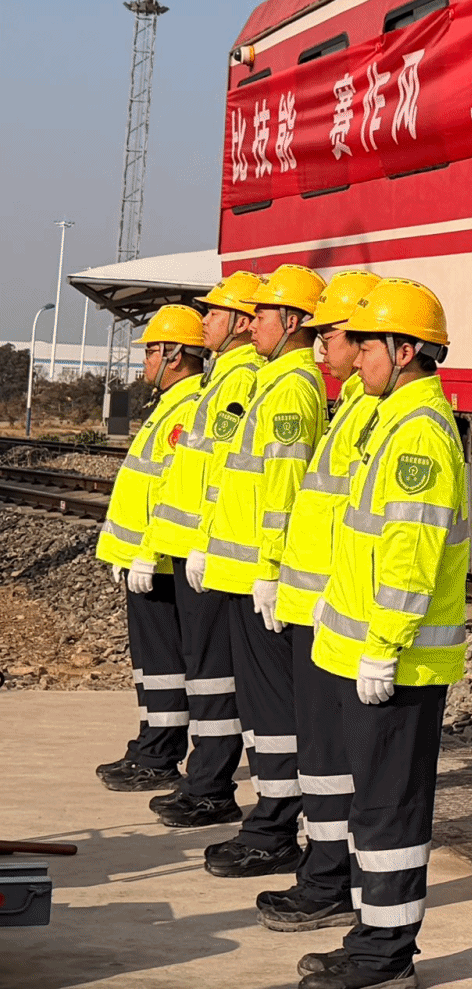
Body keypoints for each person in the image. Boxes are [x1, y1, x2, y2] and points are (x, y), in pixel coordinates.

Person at [299, 279, 466, 989]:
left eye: (367, 343)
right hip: (368, 654)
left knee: (391, 812)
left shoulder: (418, 433)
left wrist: (384, 646)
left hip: (397, 663)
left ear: (404, 351)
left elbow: (409, 555)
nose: (356, 354)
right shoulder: (390, 419)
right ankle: (372, 937)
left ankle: (386, 958)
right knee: (373, 808)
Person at [258, 269, 381, 933]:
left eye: (328, 334)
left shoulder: (367, 413)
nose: (319, 346)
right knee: (323, 757)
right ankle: (326, 869)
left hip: (334, 615)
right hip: (317, 610)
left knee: (334, 759)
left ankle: (331, 878)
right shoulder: (353, 407)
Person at [198, 264, 330, 879]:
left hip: (261, 576)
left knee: (274, 711)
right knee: (260, 708)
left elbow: (284, 487)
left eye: (263, 315)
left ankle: (275, 829)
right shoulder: (272, 382)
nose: (252, 326)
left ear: (293, 321)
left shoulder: (292, 389)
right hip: (245, 571)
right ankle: (268, 820)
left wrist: (271, 570)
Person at [142, 270, 266, 829]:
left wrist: (201, 544)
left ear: (239, 322)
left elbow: (220, 476)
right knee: (205, 673)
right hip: (205, 549)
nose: (205, 321)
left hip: (216, 553)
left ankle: (211, 786)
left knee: (214, 676)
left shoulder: (240, 381)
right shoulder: (224, 378)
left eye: (214, 312)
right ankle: (205, 780)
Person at [93, 304, 209, 792]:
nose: (145, 361)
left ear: (174, 355)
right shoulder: (169, 405)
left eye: (150, 352)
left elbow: (173, 493)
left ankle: (159, 755)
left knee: (163, 664)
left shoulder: (187, 408)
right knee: (152, 665)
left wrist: (147, 552)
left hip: (158, 564)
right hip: (146, 560)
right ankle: (149, 745)